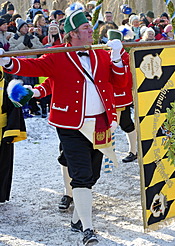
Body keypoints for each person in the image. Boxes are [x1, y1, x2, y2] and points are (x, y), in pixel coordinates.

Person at [0, 9, 126, 245]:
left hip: (100, 122)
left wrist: (118, 58)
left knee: (93, 174)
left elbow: (119, 81)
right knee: (81, 174)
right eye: (86, 27)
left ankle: (79, 218)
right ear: (73, 34)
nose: (91, 30)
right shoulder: (58, 55)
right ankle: (88, 229)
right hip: (70, 124)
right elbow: (33, 67)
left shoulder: (100, 54)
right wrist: (7, 61)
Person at [107, 29, 137, 162]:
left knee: (125, 124)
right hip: (110, 96)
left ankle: (133, 150)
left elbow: (125, 79)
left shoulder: (126, 57)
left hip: (121, 97)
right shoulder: (107, 54)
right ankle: (107, 152)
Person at [0, 67, 27, 203]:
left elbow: (13, 104)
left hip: (1, 129)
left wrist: (11, 131)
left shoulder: (5, 77)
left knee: (1, 164)